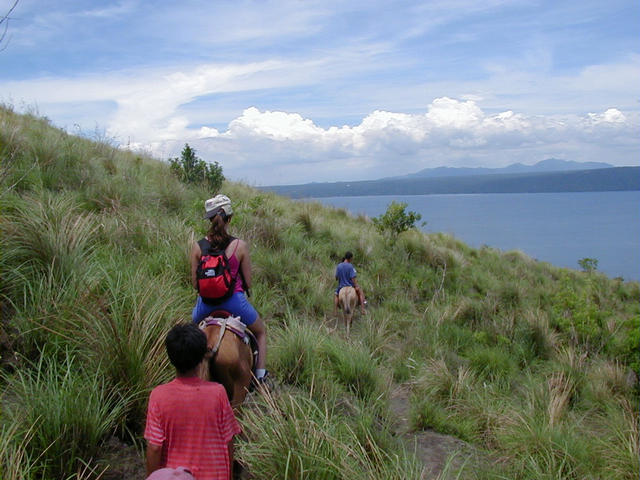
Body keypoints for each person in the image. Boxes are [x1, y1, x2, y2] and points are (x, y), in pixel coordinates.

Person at [145, 323, 241, 480]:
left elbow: (154, 447)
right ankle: (261, 372)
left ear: (171, 357)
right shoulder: (218, 393)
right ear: (201, 357)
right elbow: (229, 439)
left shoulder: (158, 396)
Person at [191, 194, 268, 383]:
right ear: (229, 218)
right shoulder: (240, 246)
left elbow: (195, 284)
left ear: (210, 219)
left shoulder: (197, 247)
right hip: (235, 302)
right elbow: (248, 283)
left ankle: (188, 377)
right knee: (261, 332)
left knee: (189, 338)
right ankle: (260, 376)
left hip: (205, 305)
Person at [334, 251, 367, 315]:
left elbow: (336, 278)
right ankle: (363, 309)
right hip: (350, 285)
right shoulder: (350, 266)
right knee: (360, 293)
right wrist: (356, 285)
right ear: (350, 258)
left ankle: (335, 311)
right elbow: (353, 278)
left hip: (341, 286)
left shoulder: (339, 266)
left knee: (336, 295)